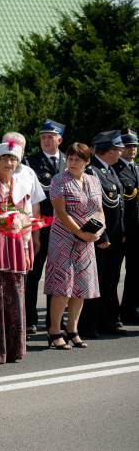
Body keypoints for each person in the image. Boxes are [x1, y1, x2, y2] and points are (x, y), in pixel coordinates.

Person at [0, 140, 37, 363]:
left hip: (15, 245)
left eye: (12, 159)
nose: (9, 163)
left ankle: (14, 349)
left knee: (15, 294)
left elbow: (27, 219)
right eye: (4, 159)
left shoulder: (22, 185)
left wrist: (25, 247)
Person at [44, 143, 103, 349]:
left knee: (82, 286)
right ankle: (54, 331)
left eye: (78, 158)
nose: (72, 161)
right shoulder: (59, 180)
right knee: (62, 287)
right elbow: (62, 212)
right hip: (63, 240)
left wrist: (98, 231)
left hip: (87, 241)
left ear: (87, 162)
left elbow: (100, 209)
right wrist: (79, 233)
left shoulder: (94, 181)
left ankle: (73, 329)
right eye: (70, 157)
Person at [79, 131, 126, 338]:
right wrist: (102, 235)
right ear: (109, 151)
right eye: (118, 148)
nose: (121, 152)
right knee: (94, 283)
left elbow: (119, 205)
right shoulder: (92, 172)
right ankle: (89, 325)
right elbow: (93, 208)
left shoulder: (108, 170)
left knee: (109, 281)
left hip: (114, 238)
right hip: (100, 239)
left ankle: (106, 321)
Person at [23, 120, 67, 335]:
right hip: (40, 226)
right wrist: (35, 232)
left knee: (59, 275)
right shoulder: (30, 163)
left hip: (64, 228)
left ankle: (54, 321)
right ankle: (30, 318)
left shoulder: (69, 161)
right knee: (33, 274)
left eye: (50, 137)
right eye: (43, 137)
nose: (46, 140)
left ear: (60, 139)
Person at [113, 129, 139, 324]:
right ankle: (112, 313)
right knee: (113, 274)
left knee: (135, 273)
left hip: (136, 230)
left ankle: (130, 309)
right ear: (120, 149)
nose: (132, 150)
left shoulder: (136, 169)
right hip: (122, 230)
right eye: (128, 147)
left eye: (135, 147)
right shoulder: (115, 170)